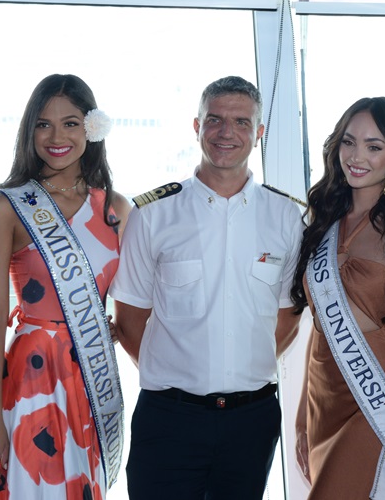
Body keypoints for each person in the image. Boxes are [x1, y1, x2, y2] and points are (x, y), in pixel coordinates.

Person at [109, 75, 304, 499]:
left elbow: (288, 315)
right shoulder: (153, 214)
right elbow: (129, 318)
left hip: (251, 420)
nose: (226, 133)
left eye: (240, 122)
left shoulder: (288, 218)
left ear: (259, 133)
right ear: (197, 126)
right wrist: (182, 373)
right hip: (169, 418)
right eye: (214, 119)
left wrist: (238, 365)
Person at [0, 74, 131, 499]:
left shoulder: (117, 210)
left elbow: (134, 300)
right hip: (29, 378)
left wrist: (114, 325)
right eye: (44, 124)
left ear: (91, 129)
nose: (57, 136)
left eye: (71, 123)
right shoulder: (6, 206)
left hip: (89, 378)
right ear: (30, 131)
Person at [291, 97, 385, 499]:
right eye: (349, 142)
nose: (357, 156)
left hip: (379, 389)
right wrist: (302, 420)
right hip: (323, 394)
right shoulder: (322, 216)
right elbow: (321, 323)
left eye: (374, 146)